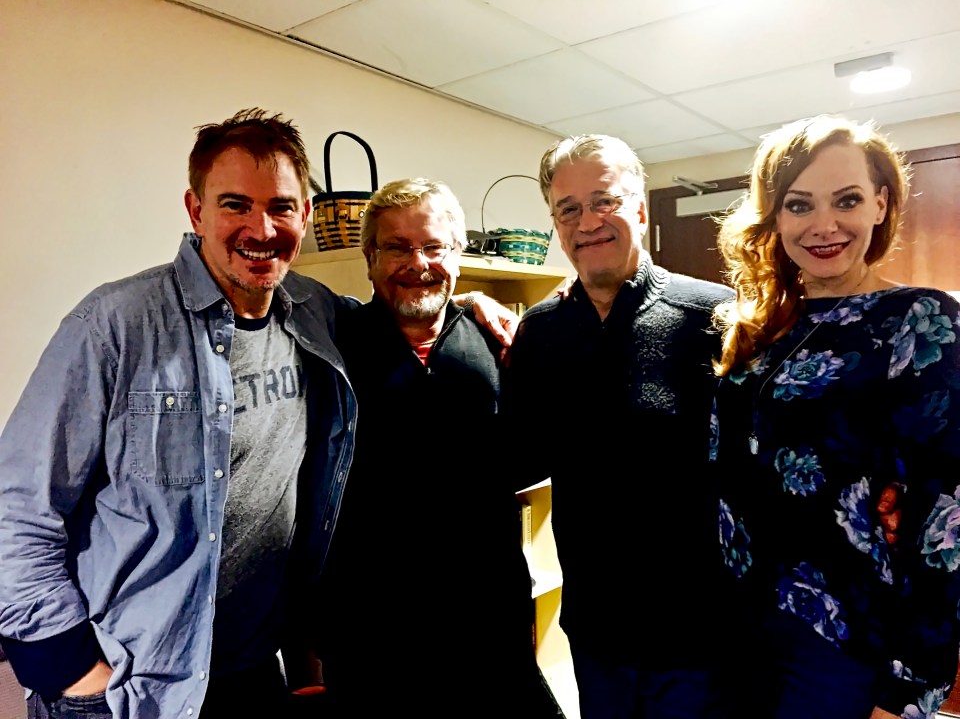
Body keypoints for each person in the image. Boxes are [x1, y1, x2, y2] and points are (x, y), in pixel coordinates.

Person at [0, 108, 360, 718]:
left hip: (252, 673)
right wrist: (70, 668)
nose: (261, 228)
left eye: (281, 207)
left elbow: (401, 318)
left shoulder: (314, 312)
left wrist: (478, 304)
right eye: (235, 204)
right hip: (132, 686)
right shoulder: (115, 324)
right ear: (196, 212)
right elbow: (18, 510)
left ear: (304, 215)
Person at [710, 114, 960, 718]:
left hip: (840, 638)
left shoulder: (919, 321)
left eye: (846, 200)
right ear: (774, 217)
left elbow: (946, 511)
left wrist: (911, 688)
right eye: (798, 205)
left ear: (880, 204)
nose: (823, 226)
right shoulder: (760, 326)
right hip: (734, 621)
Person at [499, 134, 738, 719]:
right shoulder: (541, 332)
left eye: (604, 200)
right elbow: (518, 460)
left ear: (640, 206)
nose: (588, 222)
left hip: (699, 637)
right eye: (569, 208)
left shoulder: (717, 315)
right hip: (597, 629)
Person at [314, 177, 564, 718]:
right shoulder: (334, 342)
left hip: (487, 614)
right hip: (371, 628)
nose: (417, 262)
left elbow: (528, 458)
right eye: (397, 247)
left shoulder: (494, 339)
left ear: (456, 252)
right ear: (369, 257)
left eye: (433, 246)